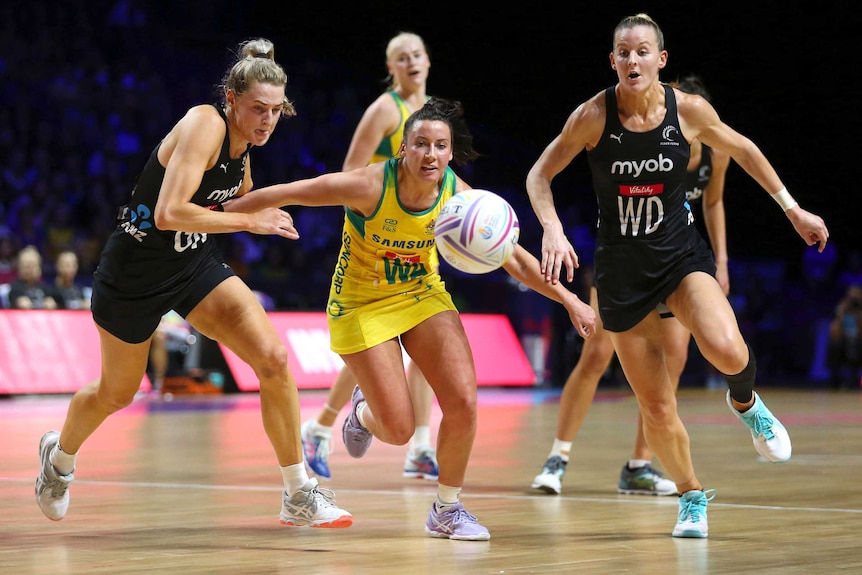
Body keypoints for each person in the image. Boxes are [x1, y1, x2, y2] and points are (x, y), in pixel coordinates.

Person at [225, 97, 596, 540]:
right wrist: (222, 215)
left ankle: (447, 510)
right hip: (360, 304)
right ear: (403, 147)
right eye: (421, 144)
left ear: (450, 152)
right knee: (399, 431)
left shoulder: (457, 195)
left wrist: (571, 300)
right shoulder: (368, 185)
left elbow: (512, 258)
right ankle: (363, 414)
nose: (430, 155)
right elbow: (296, 190)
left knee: (463, 401)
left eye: (440, 146)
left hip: (422, 295)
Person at [524, 13, 829, 538]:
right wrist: (551, 229)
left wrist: (792, 209)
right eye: (623, 52)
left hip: (679, 258)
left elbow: (745, 149)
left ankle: (747, 404)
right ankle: (690, 496)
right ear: (613, 60)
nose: (632, 60)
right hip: (621, 275)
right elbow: (539, 175)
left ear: (661, 60)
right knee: (656, 405)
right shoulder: (594, 116)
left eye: (642, 51)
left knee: (727, 346)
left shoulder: (687, 110)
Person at [34, 38, 353, 528]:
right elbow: (168, 213)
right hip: (133, 275)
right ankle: (58, 459)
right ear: (232, 99)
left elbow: (229, 205)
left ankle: (298, 492)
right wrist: (250, 222)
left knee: (273, 358)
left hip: (193, 265)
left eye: (274, 111)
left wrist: (278, 206)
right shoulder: (206, 123)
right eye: (257, 109)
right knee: (116, 394)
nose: (267, 120)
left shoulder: (245, 148)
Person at [531, 74, 731, 497]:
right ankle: (558, 455)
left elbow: (713, 203)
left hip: (676, 261)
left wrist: (722, 263)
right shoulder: (637, 133)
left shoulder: (714, 151)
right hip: (625, 259)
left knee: (673, 359)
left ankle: (639, 464)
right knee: (597, 353)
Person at [301, 31, 439, 482]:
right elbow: (348, 176)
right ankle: (322, 425)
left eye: (416, 54)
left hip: (421, 238)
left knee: (422, 345)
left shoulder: (432, 113)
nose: (411, 62)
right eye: (402, 58)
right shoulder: (385, 110)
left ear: (427, 60)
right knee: (376, 348)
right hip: (377, 240)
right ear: (392, 68)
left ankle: (420, 445)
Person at [826, 284, 862, 389]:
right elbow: (834, 332)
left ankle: (853, 379)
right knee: (834, 345)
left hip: (859, 342)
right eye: (851, 296)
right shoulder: (843, 310)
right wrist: (841, 313)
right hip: (844, 342)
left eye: (857, 295)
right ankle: (834, 380)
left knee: (854, 343)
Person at [8, 245, 59, 309]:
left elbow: (52, 302)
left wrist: (51, 304)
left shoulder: (45, 288)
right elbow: (22, 304)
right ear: (19, 268)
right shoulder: (15, 287)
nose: (30, 270)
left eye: (33, 266)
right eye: (26, 266)